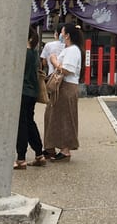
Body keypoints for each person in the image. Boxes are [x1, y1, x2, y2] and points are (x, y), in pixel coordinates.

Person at [46, 23, 83, 161]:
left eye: (62, 33)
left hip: (67, 86)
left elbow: (67, 70)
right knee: (55, 116)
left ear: (67, 35)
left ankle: (65, 149)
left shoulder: (73, 50)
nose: (60, 35)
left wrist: (54, 61)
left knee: (65, 118)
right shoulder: (68, 49)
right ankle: (53, 146)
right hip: (62, 86)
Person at [15, 26, 45, 169]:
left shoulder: (23, 54)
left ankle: (21, 158)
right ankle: (39, 153)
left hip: (22, 91)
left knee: (21, 124)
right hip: (32, 92)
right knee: (30, 122)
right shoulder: (34, 53)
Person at [39, 28, 64, 154]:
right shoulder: (71, 48)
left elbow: (43, 61)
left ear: (56, 34)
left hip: (52, 81)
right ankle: (63, 147)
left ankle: (50, 147)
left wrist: (52, 61)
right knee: (62, 114)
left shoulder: (49, 45)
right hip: (65, 83)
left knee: (50, 113)